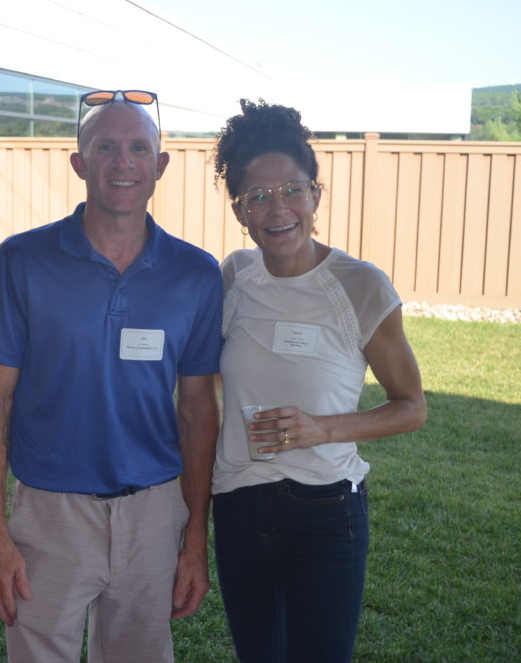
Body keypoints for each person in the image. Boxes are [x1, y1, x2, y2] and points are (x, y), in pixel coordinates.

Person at [0, 89, 223, 663]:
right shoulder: (22, 261)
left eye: (138, 148)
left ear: (160, 165)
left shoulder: (196, 275)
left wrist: (194, 537)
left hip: (154, 513)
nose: (122, 162)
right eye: (105, 147)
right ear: (79, 163)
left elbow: (198, 409)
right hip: (49, 513)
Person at [210, 98, 428, 663]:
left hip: (326, 509)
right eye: (258, 196)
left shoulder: (361, 286)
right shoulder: (233, 276)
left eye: (292, 190)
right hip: (238, 506)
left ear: (316, 195)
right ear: (240, 212)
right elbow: (201, 380)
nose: (278, 208)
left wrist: (321, 428)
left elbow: (411, 406)